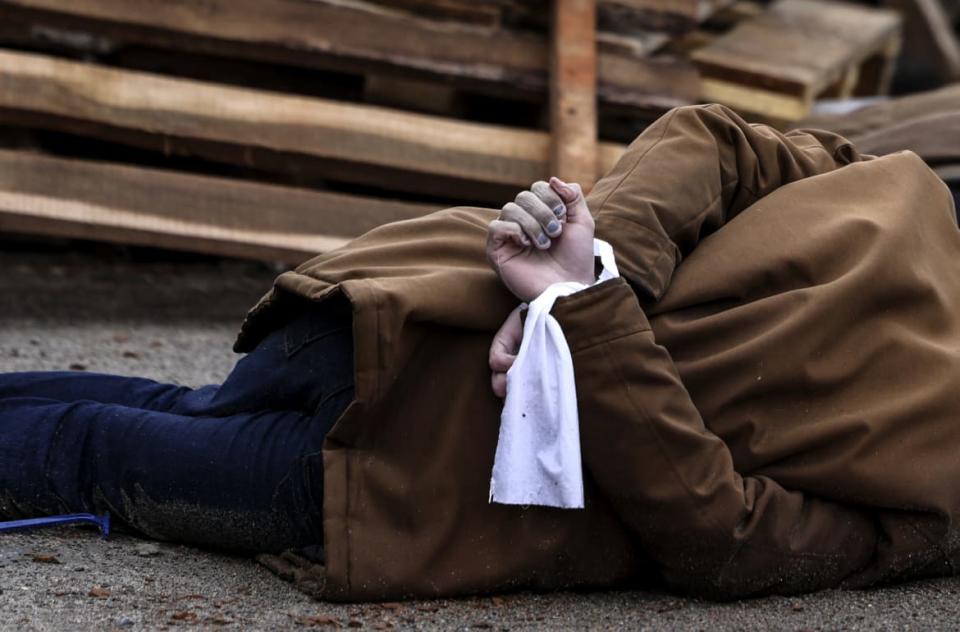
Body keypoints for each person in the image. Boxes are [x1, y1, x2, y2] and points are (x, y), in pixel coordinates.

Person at [3, 103, 960, 602]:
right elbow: (710, 142)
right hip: (399, 367)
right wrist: (595, 277)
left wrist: (581, 307)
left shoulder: (912, 209)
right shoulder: (912, 198)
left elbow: (729, 543)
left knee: (151, 422)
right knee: (113, 441)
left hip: (397, 438)